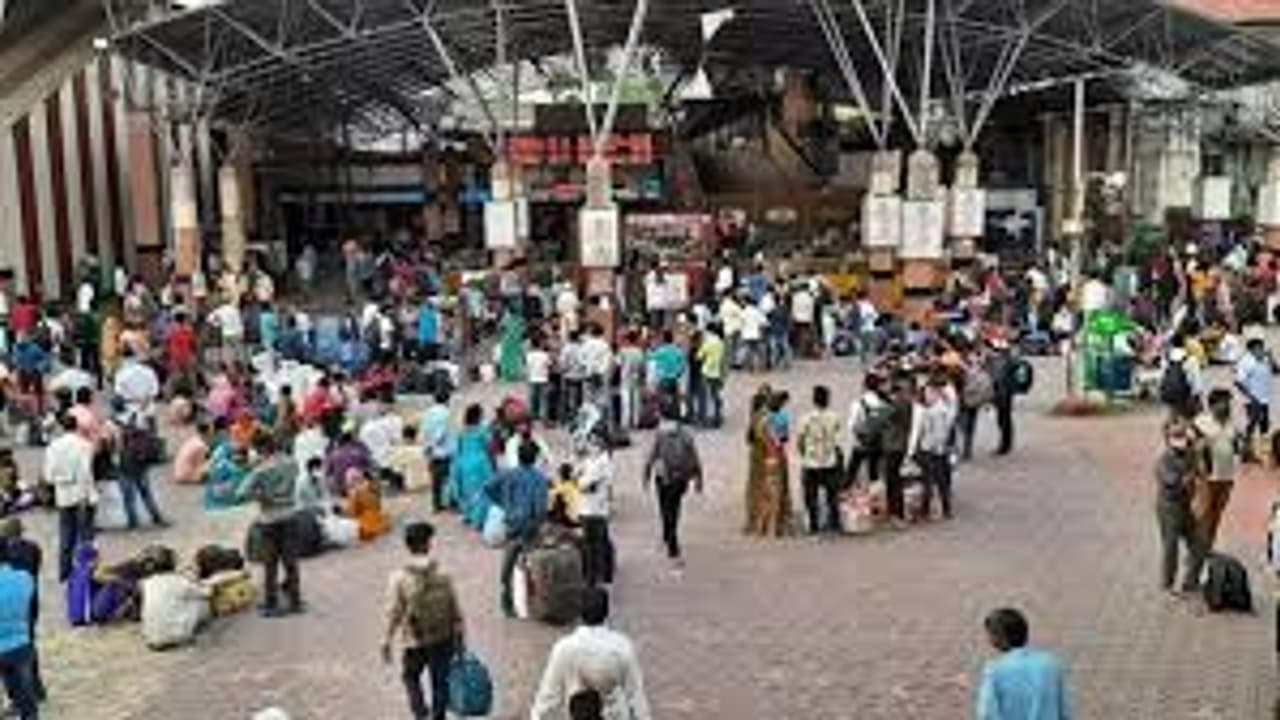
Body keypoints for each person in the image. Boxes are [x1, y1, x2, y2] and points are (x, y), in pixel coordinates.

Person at [382, 522, 463, 720]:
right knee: (440, 681)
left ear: (407, 546)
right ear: (429, 544)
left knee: (410, 676)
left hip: (415, 640)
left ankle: (420, 713)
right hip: (443, 637)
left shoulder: (398, 577)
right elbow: (455, 610)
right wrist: (460, 637)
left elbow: (394, 611)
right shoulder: (443, 574)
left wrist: (386, 639)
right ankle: (438, 717)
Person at [530, 587, 651, 720]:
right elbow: (636, 696)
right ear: (606, 612)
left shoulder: (564, 648)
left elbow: (547, 697)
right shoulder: (622, 646)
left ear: (580, 612)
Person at [238, 434, 304, 617]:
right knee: (291, 562)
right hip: (290, 514)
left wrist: (261, 495)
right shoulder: (292, 463)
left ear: (261, 450)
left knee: (270, 564)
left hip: (269, 519)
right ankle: (295, 601)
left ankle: (271, 603)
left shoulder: (260, 470)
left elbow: (241, 494)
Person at [975, 608, 1073, 720]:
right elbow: (1065, 711)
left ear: (1000, 636)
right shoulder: (1052, 664)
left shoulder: (994, 670)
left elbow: (986, 714)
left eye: (990, 634)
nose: (988, 639)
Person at [489, 441, 549, 617]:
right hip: (532, 527)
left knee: (508, 565)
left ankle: (507, 603)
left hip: (513, 525)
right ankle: (532, 601)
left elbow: (488, 487)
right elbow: (540, 506)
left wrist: (504, 504)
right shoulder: (539, 478)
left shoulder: (508, 474)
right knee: (534, 564)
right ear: (535, 458)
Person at [1155, 418, 1208, 597]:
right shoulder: (1164, 459)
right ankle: (1167, 584)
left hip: (1185, 506)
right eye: (1176, 435)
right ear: (1167, 438)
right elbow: (1176, 482)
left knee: (1200, 542)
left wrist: (1198, 451)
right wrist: (1191, 474)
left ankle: (1190, 581)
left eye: (1183, 434)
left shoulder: (1190, 453)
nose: (1181, 438)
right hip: (1169, 507)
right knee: (1171, 546)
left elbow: (1202, 471)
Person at [643, 409, 703, 565]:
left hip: (665, 477)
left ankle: (672, 542)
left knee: (666, 508)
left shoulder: (660, 434)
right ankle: (669, 535)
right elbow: (694, 457)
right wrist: (698, 479)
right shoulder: (686, 434)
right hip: (679, 478)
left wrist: (646, 474)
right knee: (673, 508)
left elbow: (651, 455)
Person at [45, 413, 97, 581]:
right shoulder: (84, 445)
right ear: (77, 427)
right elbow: (86, 472)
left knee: (66, 534)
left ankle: (64, 571)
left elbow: (48, 475)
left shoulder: (53, 446)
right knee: (86, 536)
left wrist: (63, 479)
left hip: (63, 496)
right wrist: (89, 494)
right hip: (83, 495)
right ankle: (86, 571)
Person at [0, 519, 43, 702]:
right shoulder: (34, 548)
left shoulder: (11, 555)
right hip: (28, 601)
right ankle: (36, 689)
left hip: (10, 606)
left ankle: (22, 696)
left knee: (17, 654)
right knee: (28, 645)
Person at [1193, 389, 1238, 549]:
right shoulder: (1200, 423)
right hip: (1207, 479)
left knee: (1217, 515)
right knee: (1204, 514)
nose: (1226, 406)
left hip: (1227, 477)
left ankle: (1208, 546)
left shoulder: (1231, 423)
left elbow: (1235, 447)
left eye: (1228, 403)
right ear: (1212, 405)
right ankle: (1198, 548)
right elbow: (1192, 450)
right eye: (1223, 403)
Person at [911, 376, 957, 520]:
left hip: (932, 450)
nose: (926, 395)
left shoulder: (935, 411)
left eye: (928, 392)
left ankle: (926, 511)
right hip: (940, 450)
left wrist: (926, 448)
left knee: (929, 482)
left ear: (936, 392)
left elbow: (937, 434)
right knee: (941, 481)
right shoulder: (943, 407)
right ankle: (946, 510)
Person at [798, 385, 843, 534]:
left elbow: (800, 440)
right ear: (828, 400)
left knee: (811, 496)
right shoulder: (834, 417)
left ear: (814, 400)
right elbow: (837, 434)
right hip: (830, 460)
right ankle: (834, 523)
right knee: (832, 494)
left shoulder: (805, 418)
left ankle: (814, 525)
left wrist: (804, 453)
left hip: (811, 461)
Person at [117, 417, 169, 529]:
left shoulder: (124, 437)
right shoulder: (144, 437)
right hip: (140, 470)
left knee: (129, 499)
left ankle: (133, 521)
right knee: (147, 496)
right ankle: (156, 518)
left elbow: (119, 452)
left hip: (126, 470)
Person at [449, 405, 495, 529]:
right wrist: (493, 463)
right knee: (481, 491)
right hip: (480, 463)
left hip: (464, 462)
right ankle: (478, 519)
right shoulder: (482, 430)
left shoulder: (462, 431)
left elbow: (458, 448)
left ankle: (467, 515)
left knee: (466, 491)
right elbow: (489, 448)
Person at [577, 437, 614, 586]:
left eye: (592, 444)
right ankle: (603, 574)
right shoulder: (593, 461)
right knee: (600, 542)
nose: (589, 447)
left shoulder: (601, 464)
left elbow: (584, 484)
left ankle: (594, 576)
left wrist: (580, 479)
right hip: (594, 509)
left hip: (593, 510)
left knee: (593, 545)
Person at [1234, 337, 1272, 461]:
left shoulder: (1264, 359)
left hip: (1264, 399)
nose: (1262, 350)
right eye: (1259, 348)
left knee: (1264, 426)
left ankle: (1263, 451)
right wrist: (1251, 397)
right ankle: (1247, 452)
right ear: (1252, 349)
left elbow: (1277, 370)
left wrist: (1271, 358)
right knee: (1252, 426)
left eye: (1262, 347)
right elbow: (1238, 382)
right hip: (1252, 401)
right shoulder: (1246, 362)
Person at [846, 374, 888, 486]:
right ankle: (874, 495)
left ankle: (846, 489)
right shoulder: (883, 403)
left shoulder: (858, 403)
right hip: (878, 443)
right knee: (874, 473)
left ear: (864, 386)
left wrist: (858, 436)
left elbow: (851, 425)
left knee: (852, 470)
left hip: (862, 442)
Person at [420, 390, 454, 513]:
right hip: (443, 451)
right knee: (448, 479)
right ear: (447, 400)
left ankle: (436, 504)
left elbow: (424, 431)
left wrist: (427, 447)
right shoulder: (445, 413)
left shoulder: (427, 412)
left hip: (432, 453)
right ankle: (449, 503)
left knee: (435, 481)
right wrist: (434, 444)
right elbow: (441, 433)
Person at [696, 324, 726, 428]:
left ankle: (703, 420)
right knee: (715, 395)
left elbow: (699, 356)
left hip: (706, 371)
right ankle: (717, 418)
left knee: (704, 397)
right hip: (717, 373)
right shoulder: (721, 343)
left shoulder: (707, 342)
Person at [527, 338, 552, 423]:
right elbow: (549, 365)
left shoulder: (529, 355)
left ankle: (533, 415)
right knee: (544, 399)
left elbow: (528, 366)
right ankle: (544, 417)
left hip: (533, 379)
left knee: (533, 398)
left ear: (532, 345)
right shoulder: (545, 355)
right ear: (540, 344)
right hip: (543, 379)